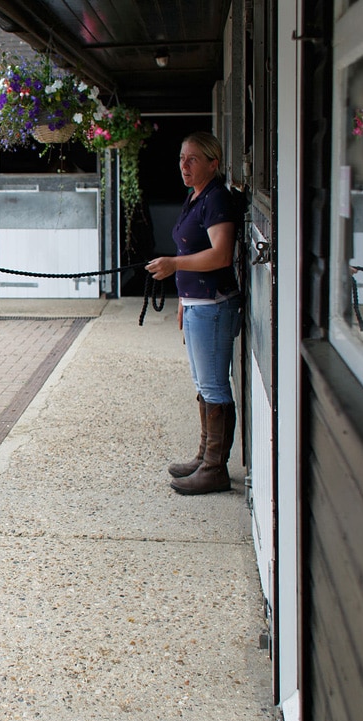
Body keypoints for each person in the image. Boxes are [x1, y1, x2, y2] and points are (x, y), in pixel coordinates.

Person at [145, 131, 242, 495]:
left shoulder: (217, 200)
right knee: (204, 386)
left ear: (213, 163)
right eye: (182, 159)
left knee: (215, 386)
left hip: (214, 305)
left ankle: (215, 469)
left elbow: (220, 254)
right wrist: (184, 301)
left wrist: (174, 264)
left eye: (193, 160)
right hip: (198, 304)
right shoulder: (196, 197)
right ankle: (205, 458)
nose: (184, 166)